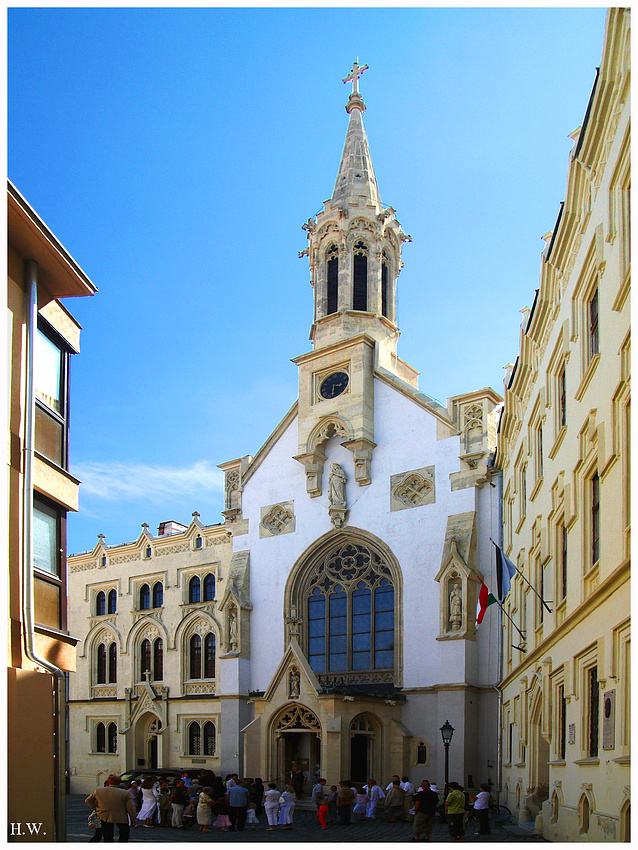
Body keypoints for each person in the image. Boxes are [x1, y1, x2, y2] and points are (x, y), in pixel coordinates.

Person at [85, 773, 138, 843]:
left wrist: (96, 808)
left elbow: (88, 800)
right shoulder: (125, 793)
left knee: (107, 835)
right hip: (121, 815)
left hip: (104, 815)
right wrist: (133, 819)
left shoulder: (99, 791)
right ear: (119, 782)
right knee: (124, 834)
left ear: (108, 782)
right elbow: (130, 808)